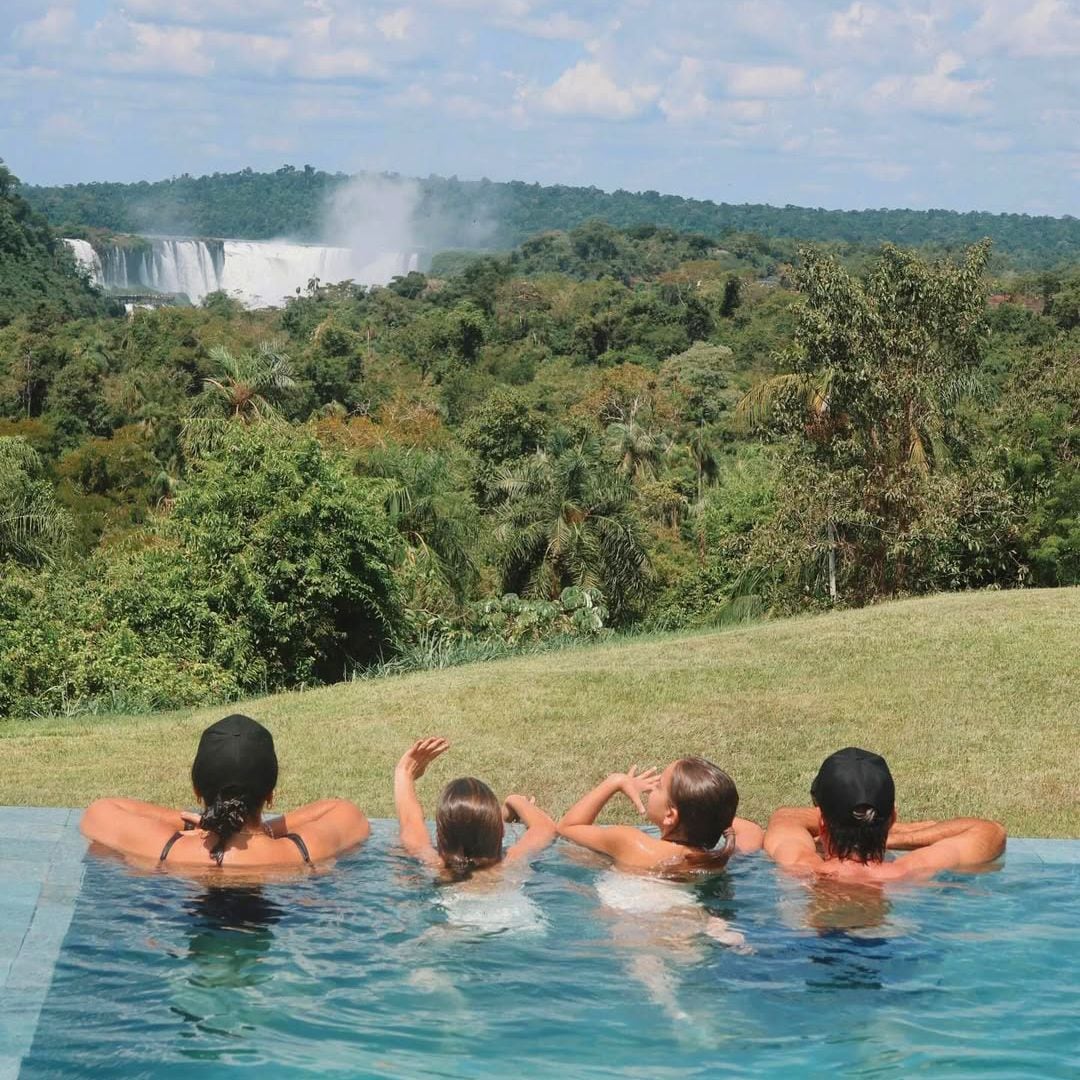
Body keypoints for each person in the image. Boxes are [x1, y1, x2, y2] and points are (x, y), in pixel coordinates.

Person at [81, 713, 370, 868]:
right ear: (270, 794)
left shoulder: (168, 851)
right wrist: (257, 827)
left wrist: (207, 820)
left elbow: (99, 812)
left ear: (197, 789)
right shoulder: (301, 853)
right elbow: (346, 812)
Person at [764, 746, 1006, 881]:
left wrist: (850, 824)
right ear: (893, 818)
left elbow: (786, 817)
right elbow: (990, 831)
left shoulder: (798, 864)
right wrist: (897, 835)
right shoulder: (909, 872)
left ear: (822, 824)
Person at [557, 757, 764, 875]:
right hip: (691, 919)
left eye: (658, 786)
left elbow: (568, 828)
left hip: (645, 930)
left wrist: (616, 781)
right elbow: (753, 831)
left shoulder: (631, 843)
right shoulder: (717, 860)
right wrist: (707, 814)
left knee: (574, 852)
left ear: (669, 815)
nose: (652, 787)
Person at [393, 736, 555, 877]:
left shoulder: (432, 864)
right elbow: (545, 827)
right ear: (503, 831)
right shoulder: (512, 863)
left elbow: (410, 823)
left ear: (439, 837)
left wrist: (405, 772)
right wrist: (514, 800)